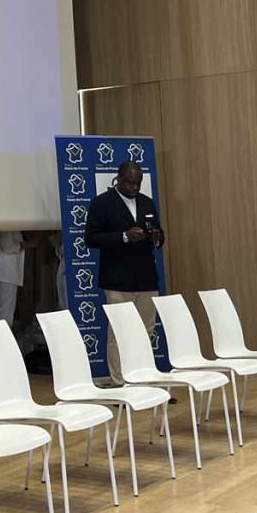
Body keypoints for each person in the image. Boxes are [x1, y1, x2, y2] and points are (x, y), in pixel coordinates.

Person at [84, 161, 164, 385]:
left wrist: (158, 237)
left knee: (147, 331)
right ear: (118, 179)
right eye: (129, 183)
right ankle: (120, 383)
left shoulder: (147, 203)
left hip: (146, 278)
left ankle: (143, 378)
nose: (134, 188)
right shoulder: (102, 203)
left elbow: (159, 232)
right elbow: (90, 238)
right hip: (117, 279)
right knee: (119, 333)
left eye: (137, 183)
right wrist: (124, 236)